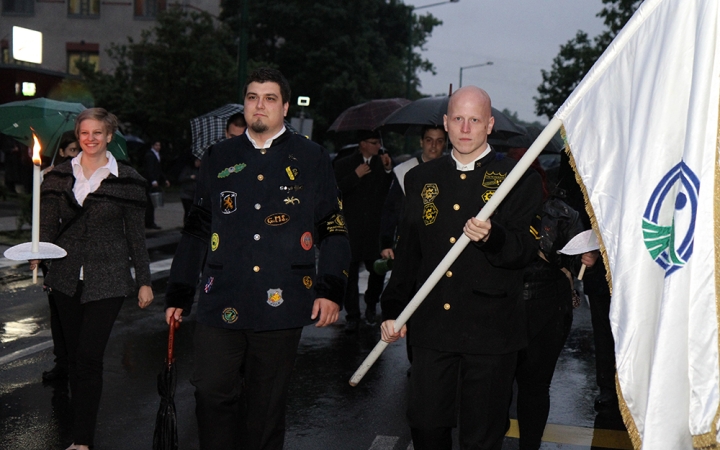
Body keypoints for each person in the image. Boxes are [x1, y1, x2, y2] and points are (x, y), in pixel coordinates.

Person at [164, 67, 350, 450]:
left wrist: (331, 289)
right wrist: (179, 294)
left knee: (266, 406)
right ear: (244, 105)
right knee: (211, 393)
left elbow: (333, 227)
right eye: (251, 98)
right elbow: (197, 228)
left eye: (268, 98)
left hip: (281, 302)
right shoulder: (219, 156)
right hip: (221, 297)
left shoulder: (312, 156)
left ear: (284, 106)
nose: (259, 105)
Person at [380, 86, 542, 450]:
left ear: (489, 125)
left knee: (481, 436)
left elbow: (525, 251)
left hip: (492, 332)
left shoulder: (518, 179)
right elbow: (409, 254)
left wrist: (493, 237)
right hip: (432, 328)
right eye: (458, 119)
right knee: (425, 426)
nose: (465, 128)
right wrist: (394, 311)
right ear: (445, 123)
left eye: (474, 120)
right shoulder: (421, 179)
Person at [30, 107, 153, 450]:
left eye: (98, 133)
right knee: (72, 360)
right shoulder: (55, 177)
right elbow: (46, 226)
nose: (90, 139)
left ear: (109, 136)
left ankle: (82, 440)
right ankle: (78, 427)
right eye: (84, 133)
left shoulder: (128, 180)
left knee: (88, 358)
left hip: (108, 279)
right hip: (66, 277)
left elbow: (136, 237)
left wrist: (144, 280)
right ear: (77, 135)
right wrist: (37, 252)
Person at [506, 147, 584, 450]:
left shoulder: (492, 207)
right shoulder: (561, 210)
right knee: (536, 386)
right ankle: (529, 446)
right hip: (551, 305)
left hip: (506, 302)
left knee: (497, 384)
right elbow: (576, 262)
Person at [333, 129, 393, 331]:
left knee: (377, 270)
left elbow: (388, 193)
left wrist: (387, 170)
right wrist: (355, 176)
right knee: (349, 273)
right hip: (351, 228)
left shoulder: (382, 162)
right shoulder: (344, 164)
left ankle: (371, 305)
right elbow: (335, 192)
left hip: (374, 230)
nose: (378, 146)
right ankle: (352, 314)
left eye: (378, 142)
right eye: (373, 142)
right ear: (363, 144)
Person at [40, 131, 81, 383]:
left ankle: (74, 362)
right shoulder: (53, 178)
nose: (77, 154)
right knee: (57, 310)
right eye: (73, 150)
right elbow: (43, 218)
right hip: (51, 251)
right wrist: (43, 183)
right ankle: (62, 362)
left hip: (74, 254)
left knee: (73, 312)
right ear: (63, 151)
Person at [379, 125, 446, 261]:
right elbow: (391, 210)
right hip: (409, 244)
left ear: (445, 144)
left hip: (440, 244)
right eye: (429, 140)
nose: (433, 146)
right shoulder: (405, 171)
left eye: (439, 141)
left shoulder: (451, 172)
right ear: (421, 142)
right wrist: (386, 244)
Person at [143, 140, 170, 229]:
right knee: (150, 203)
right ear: (153, 146)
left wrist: (164, 179)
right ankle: (149, 222)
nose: (158, 147)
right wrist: (153, 180)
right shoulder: (150, 155)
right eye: (156, 145)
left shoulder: (155, 155)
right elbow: (150, 169)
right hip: (151, 182)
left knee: (151, 203)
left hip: (154, 180)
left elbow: (158, 169)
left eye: (159, 145)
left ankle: (149, 222)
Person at [177, 154, 201, 225]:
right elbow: (181, 178)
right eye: (197, 161)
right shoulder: (188, 168)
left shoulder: (200, 170)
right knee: (188, 210)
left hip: (194, 194)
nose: (198, 163)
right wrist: (190, 177)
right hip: (186, 194)